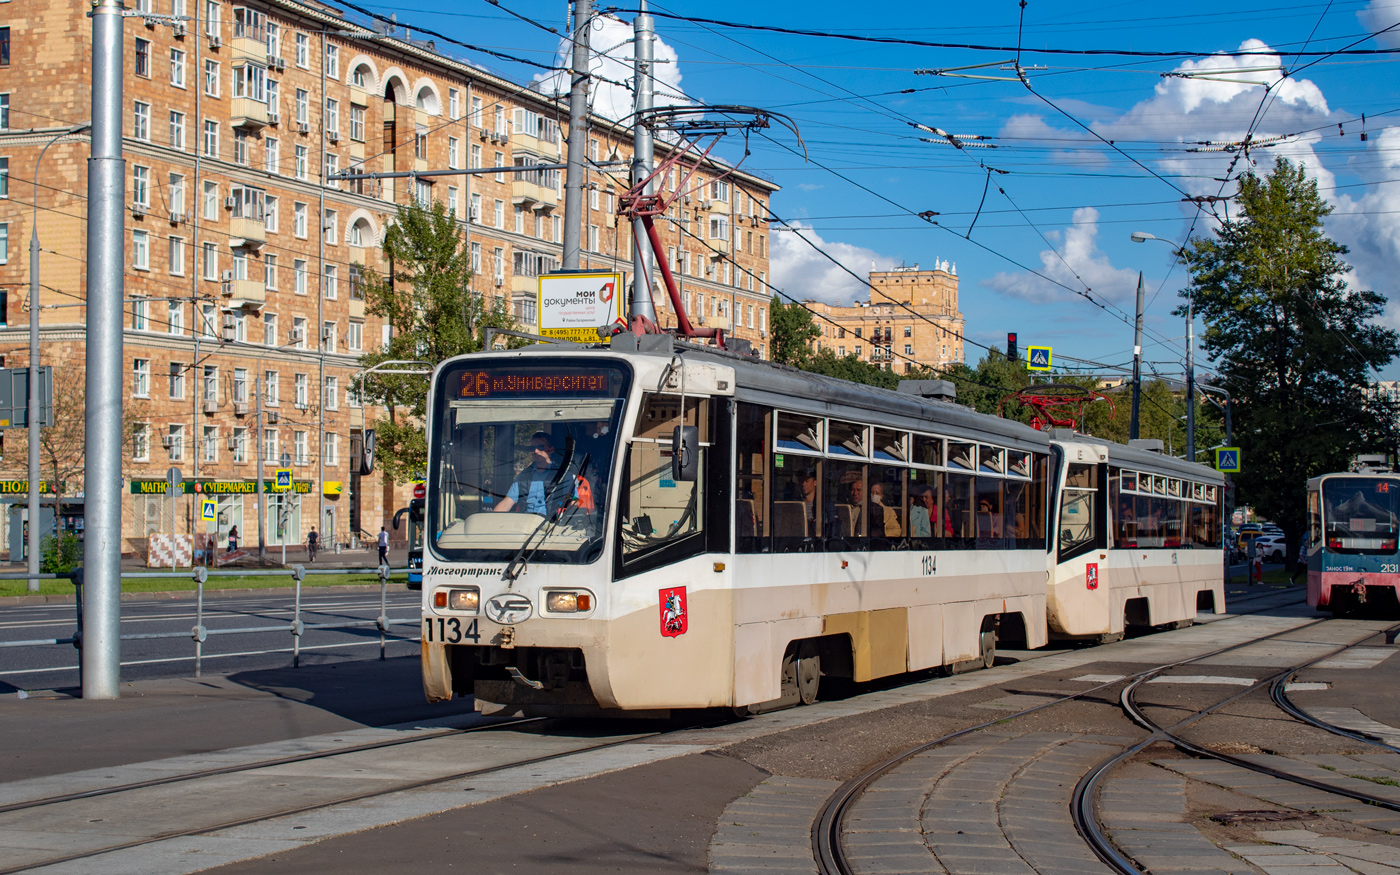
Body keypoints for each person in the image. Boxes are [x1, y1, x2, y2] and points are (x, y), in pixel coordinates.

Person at [494, 432, 567, 516]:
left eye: (540, 447)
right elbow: (507, 502)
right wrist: (491, 520)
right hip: (525, 525)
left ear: (551, 449)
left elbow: (572, 502)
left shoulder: (562, 475)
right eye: (533, 448)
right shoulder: (523, 476)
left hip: (551, 525)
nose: (535, 451)